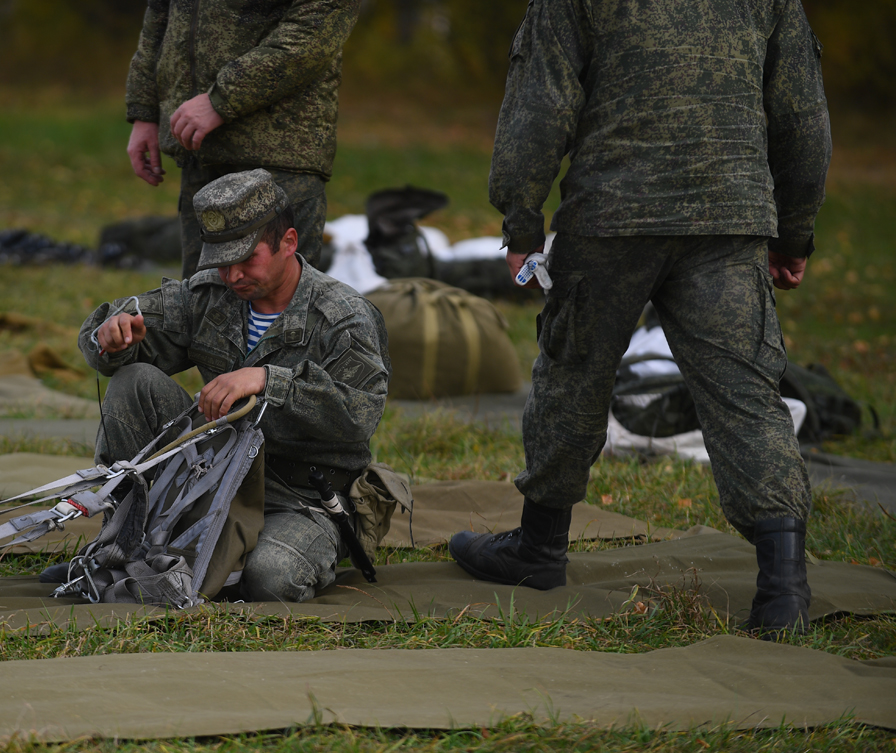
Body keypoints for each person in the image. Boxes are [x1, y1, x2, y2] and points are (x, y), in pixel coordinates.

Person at [450, 0, 831, 636]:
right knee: (746, 394)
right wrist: (793, 233)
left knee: (573, 376)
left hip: (612, 214)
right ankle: (785, 588)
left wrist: (521, 221)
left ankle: (540, 547)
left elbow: (539, 105)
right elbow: (801, 113)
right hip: (728, 219)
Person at [78, 169, 390, 602]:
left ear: (289, 242)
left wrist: (268, 380)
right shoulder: (209, 295)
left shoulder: (343, 316)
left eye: (247, 259)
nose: (233, 275)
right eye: (223, 262)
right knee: (134, 381)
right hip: (210, 475)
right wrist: (111, 338)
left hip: (300, 495)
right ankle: (124, 544)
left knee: (270, 579)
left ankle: (185, 558)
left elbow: (360, 415)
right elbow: (119, 331)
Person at [123, 0, 361, 278]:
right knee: (202, 302)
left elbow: (314, 29)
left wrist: (222, 99)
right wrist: (145, 111)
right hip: (200, 148)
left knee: (280, 310)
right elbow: (159, 19)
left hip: (279, 148)